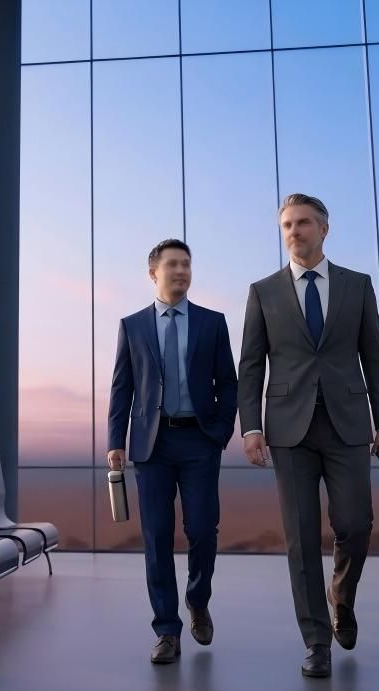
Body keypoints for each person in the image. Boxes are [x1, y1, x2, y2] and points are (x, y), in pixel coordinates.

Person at [237, 193, 379, 679]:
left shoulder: (357, 285)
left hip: (348, 423)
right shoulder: (263, 291)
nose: (294, 231)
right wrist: (251, 427)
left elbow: (375, 357)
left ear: (324, 229)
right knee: (301, 539)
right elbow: (250, 366)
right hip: (288, 430)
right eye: (287, 224)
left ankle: (341, 599)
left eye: (303, 222)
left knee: (355, 524)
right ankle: (316, 641)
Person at [107, 238, 238, 665]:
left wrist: (219, 431)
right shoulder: (133, 326)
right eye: (173, 265)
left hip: (199, 441)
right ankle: (166, 629)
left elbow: (228, 383)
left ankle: (197, 599)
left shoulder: (212, 323)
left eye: (187, 264)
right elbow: (121, 388)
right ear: (153, 273)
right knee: (157, 536)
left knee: (202, 528)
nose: (181, 271)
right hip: (152, 445)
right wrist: (115, 442)